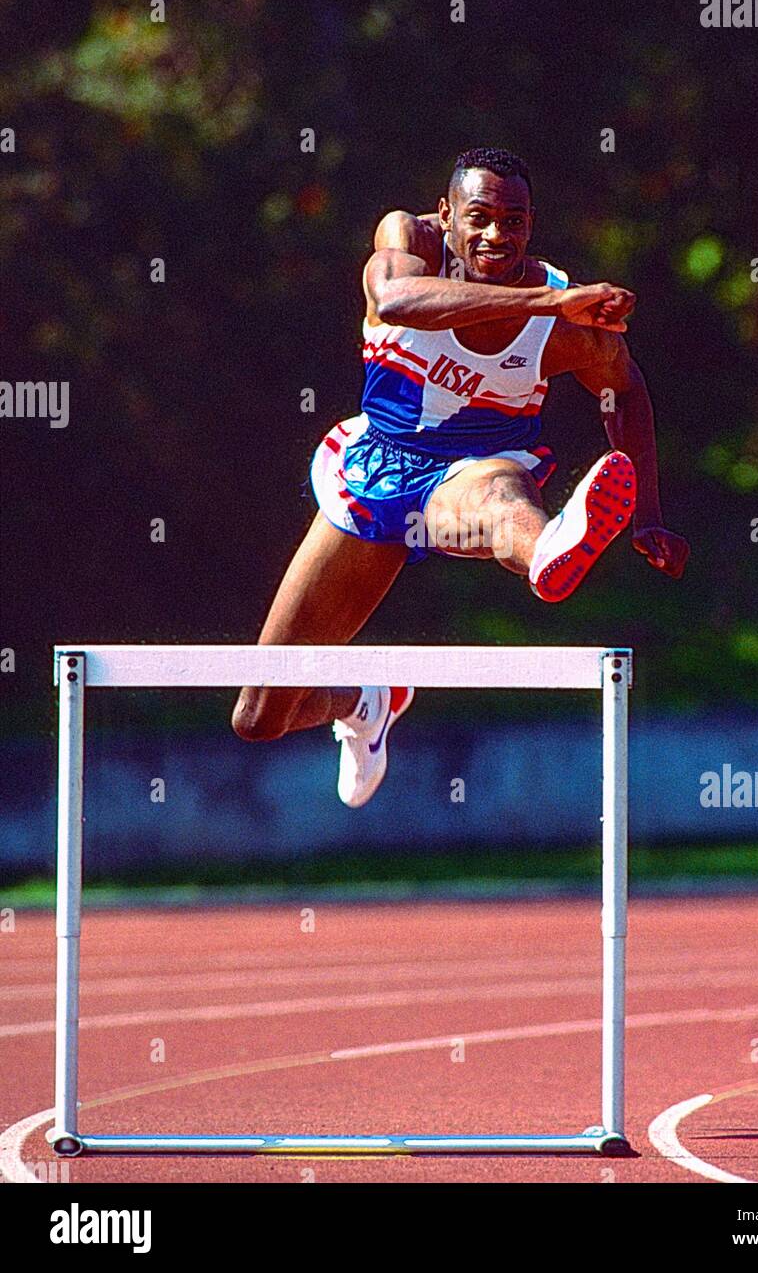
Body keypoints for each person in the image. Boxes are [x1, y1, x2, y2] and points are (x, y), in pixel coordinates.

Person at [232, 148, 689, 805]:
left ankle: (551, 546)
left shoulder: (568, 323)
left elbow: (627, 392)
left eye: (513, 221)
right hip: (372, 470)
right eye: (478, 218)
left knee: (500, 502)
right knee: (258, 717)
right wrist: (540, 300)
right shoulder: (409, 240)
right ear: (444, 215)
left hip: (475, 469)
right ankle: (365, 701)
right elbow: (394, 300)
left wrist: (647, 513)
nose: (496, 236)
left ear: (531, 224)